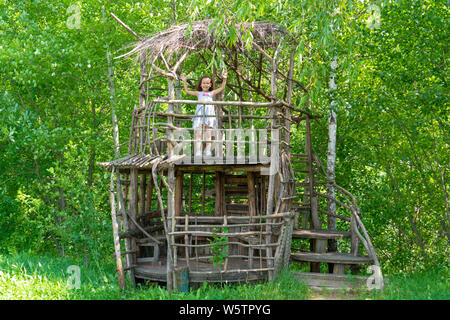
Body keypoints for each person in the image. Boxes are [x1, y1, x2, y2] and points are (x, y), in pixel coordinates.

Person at [179, 70, 228, 157]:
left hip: (209, 115)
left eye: (207, 83)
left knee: (208, 134)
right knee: (198, 133)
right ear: (201, 84)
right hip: (200, 115)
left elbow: (222, 88)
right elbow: (187, 91)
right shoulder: (198, 93)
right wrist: (184, 81)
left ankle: (208, 151)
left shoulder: (211, 93)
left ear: (210, 85)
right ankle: (198, 151)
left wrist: (224, 79)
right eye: (203, 83)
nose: (205, 85)